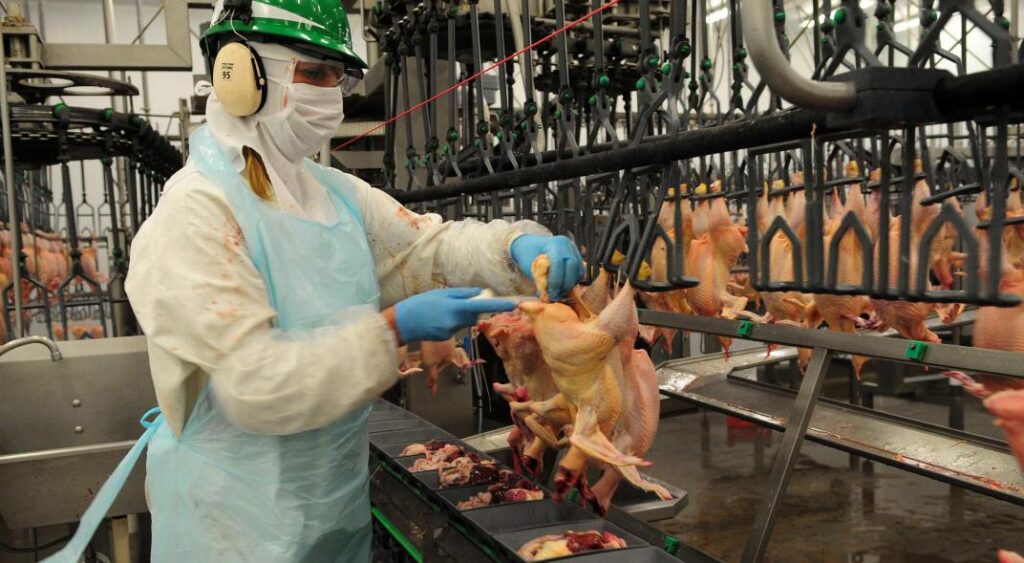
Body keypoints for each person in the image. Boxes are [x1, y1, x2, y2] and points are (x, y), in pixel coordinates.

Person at [123, 1, 584, 561]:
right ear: (239, 73)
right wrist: (392, 329)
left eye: (336, 77)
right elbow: (255, 386)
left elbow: (425, 246)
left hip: (333, 506)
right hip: (235, 525)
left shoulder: (331, 193)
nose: (330, 95)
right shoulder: (196, 213)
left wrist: (512, 246)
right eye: (313, 73)